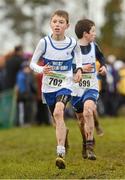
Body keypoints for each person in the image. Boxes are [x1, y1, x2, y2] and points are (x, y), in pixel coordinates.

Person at [30, 10, 83, 169]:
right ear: (50, 24)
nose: (57, 25)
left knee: (59, 112)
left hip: (65, 84)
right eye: (54, 22)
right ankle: (64, 136)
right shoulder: (44, 42)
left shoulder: (72, 42)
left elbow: (78, 54)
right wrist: (41, 69)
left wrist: (78, 69)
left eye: (61, 22)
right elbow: (32, 63)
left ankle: (60, 153)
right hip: (48, 87)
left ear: (67, 25)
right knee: (56, 120)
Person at [71, 19, 107, 160]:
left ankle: (90, 147)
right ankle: (85, 142)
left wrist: (103, 66)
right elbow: (66, 67)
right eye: (93, 31)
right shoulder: (72, 49)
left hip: (91, 85)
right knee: (81, 121)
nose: (95, 34)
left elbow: (101, 57)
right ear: (85, 34)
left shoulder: (94, 46)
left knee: (88, 111)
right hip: (76, 89)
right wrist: (79, 69)